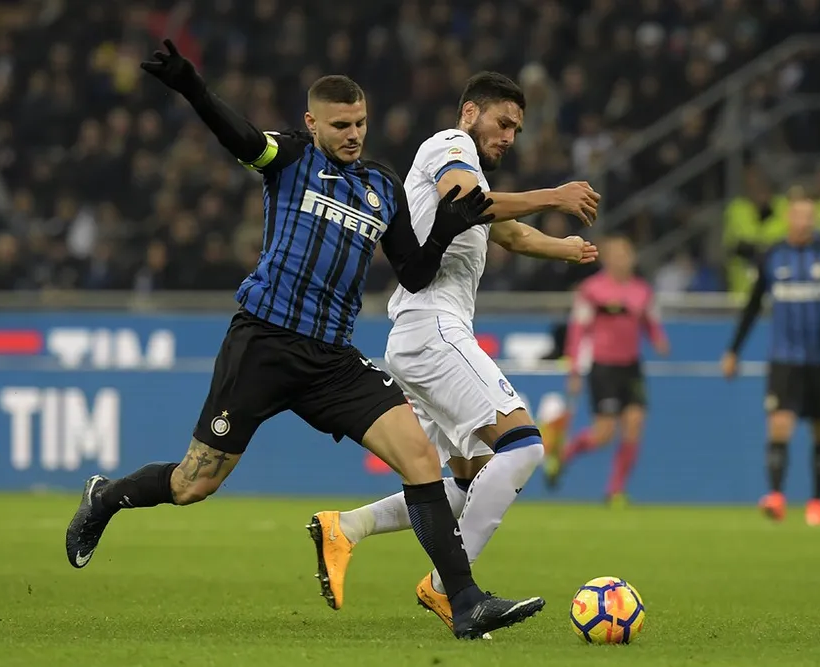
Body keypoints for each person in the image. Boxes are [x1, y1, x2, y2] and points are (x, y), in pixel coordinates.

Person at [64, 40, 545, 640]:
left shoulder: (381, 186)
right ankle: (105, 497)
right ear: (312, 123)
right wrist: (192, 87)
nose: (353, 135)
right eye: (340, 125)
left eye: (360, 123)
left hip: (332, 360)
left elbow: (415, 274)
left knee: (421, 459)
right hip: (263, 344)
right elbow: (239, 136)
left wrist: (446, 229)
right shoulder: (288, 158)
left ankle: (464, 601)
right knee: (193, 483)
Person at [306, 71, 602, 633]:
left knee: (467, 483)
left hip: (420, 336)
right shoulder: (450, 145)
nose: (510, 136)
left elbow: (508, 232)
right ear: (470, 113)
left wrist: (564, 249)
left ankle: (346, 528)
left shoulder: (470, 173)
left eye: (517, 129)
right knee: (523, 448)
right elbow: (473, 201)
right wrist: (555, 196)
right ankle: (450, 587)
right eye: (503, 122)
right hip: (434, 328)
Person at [721, 186, 820, 527]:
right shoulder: (773, 254)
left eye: (809, 215)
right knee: (779, 424)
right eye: (798, 215)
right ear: (788, 217)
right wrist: (734, 350)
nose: (804, 221)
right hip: (783, 359)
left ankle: (817, 503)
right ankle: (776, 496)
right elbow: (753, 305)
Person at [543, 235, 669, 504]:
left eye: (627, 254)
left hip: (631, 366)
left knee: (634, 424)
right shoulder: (591, 290)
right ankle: (564, 453)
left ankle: (615, 490)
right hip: (604, 367)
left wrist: (658, 339)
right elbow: (578, 331)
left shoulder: (642, 290)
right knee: (604, 434)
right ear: (607, 259)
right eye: (617, 254)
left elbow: (649, 322)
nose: (623, 260)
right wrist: (574, 369)